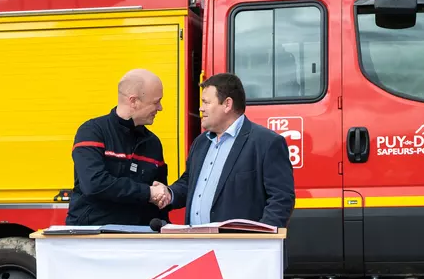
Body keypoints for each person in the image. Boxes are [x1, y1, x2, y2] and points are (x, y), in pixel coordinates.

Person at [155, 72, 295, 228]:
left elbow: (281, 198)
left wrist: (261, 238)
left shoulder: (267, 143)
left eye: (206, 102)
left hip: (239, 248)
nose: (200, 108)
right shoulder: (200, 143)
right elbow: (188, 183)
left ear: (227, 104)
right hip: (197, 246)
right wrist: (169, 193)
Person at [65, 68, 171, 226]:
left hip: (139, 239)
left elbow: (160, 197)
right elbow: (94, 184)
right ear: (133, 101)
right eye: (156, 102)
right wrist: (147, 192)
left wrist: (164, 226)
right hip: (95, 236)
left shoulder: (153, 143)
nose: (160, 108)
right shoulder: (92, 132)